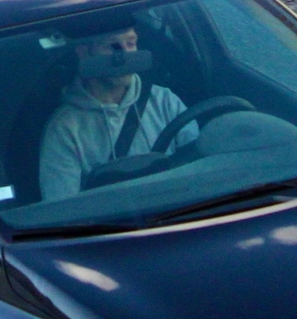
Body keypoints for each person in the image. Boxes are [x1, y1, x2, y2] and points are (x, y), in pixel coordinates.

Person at [38, 22, 199, 200]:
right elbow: (63, 207)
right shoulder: (64, 129)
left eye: (130, 43)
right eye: (112, 46)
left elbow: (197, 167)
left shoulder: (166, 102)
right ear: (84, 53)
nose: (125, 55)